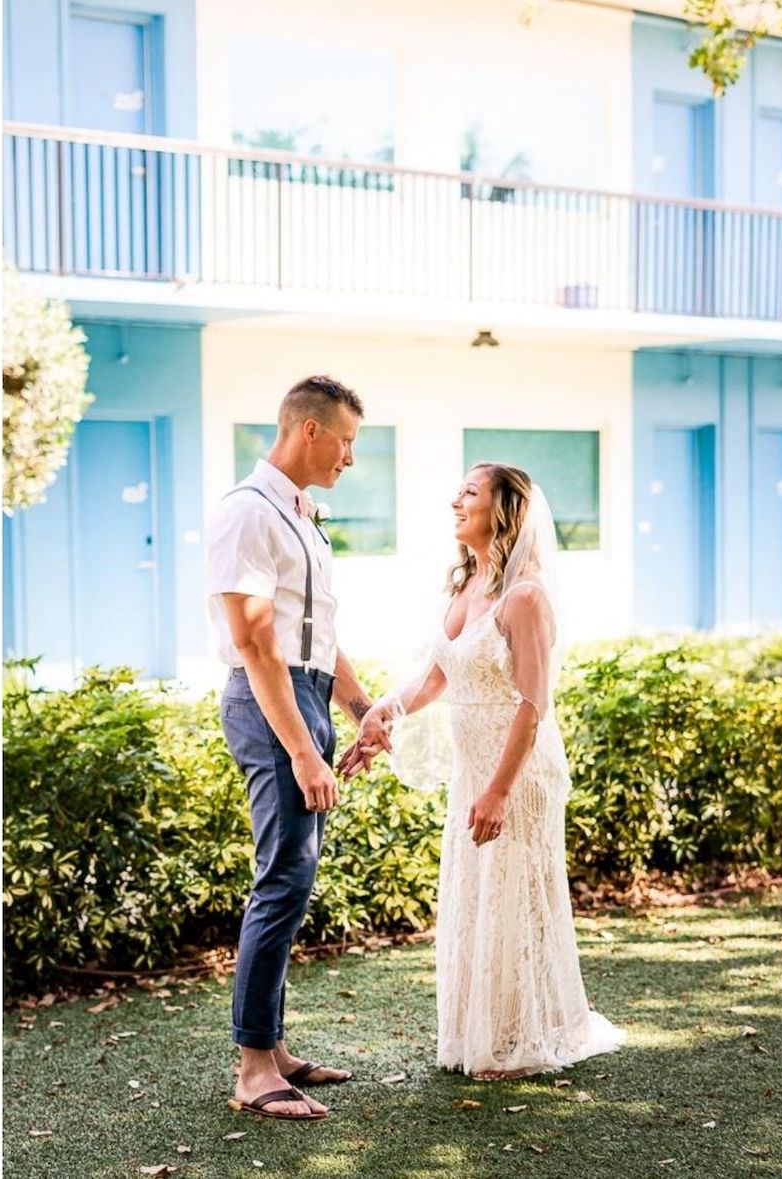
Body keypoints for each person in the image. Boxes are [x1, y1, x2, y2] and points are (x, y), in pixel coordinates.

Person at [347, 464, 624, 1079]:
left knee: (513, 898)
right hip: (473, 772)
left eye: (469, 493)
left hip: (518, 776)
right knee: (477, 896)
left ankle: (522, 1036)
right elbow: (439, 674)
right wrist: (383, 713)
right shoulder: (466, 585)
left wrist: (499, 789)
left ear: (505, 512)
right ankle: (484, 1031)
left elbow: (533, 702)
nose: (455, 500)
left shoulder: (526, 596)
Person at [204, 376, 390, 1122]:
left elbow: (316, 634)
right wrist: (304, 752)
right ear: (308, 431)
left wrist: (358, 705)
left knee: (293, 876)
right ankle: (253, 1068)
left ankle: (273, 1047)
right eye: (345, 440)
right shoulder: (247, 514)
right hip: (268, 701)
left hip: (305, 693)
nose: (350, 457)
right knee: (282, 877)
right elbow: (255, 642)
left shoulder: (302, 517)